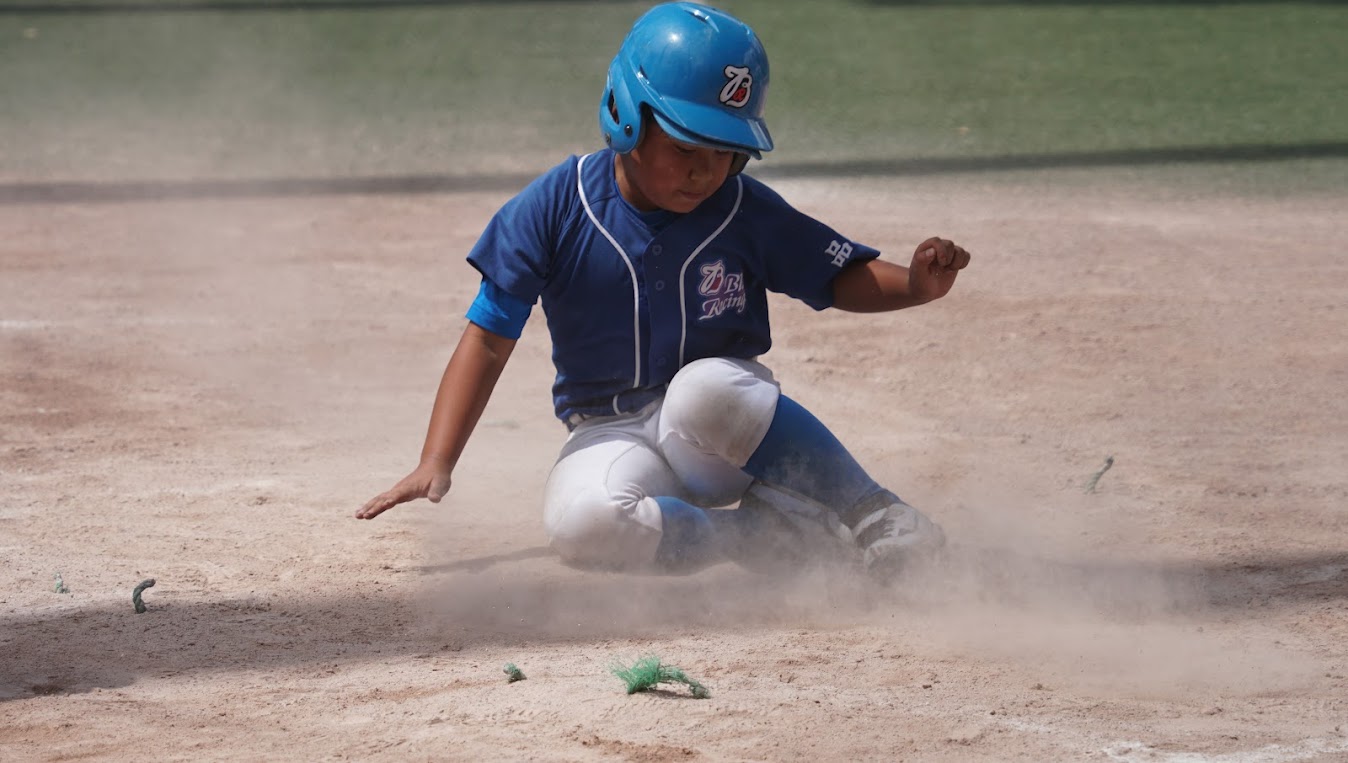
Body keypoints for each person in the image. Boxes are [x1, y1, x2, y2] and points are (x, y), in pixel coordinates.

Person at [357, 2, 971, 580]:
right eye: (684, 148)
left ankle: (878, 514)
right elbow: (489, 337)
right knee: (581, 528)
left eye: (727, 152)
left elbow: (835, 275)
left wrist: (916, 285)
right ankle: (762, 540)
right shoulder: (554, 205)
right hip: (610, 432)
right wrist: (438, 459)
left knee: (702, 387)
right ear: (627, 114)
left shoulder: (742, 210)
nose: (706, 172)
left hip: (721, 438)